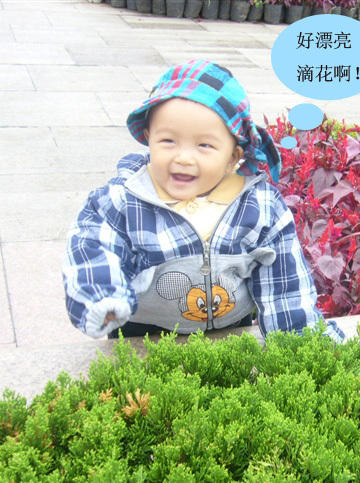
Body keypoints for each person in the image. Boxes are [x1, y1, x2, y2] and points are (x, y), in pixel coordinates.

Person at [62, 59, 345, 343]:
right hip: (143, 332)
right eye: (168, 141)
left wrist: (300, 340)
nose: (184, 157)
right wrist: (101, 295)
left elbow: (284, 281)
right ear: (148, 138)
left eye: (204, 145)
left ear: (233, 157)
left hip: (230, 329)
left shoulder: (258, 206)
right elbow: (93, 245)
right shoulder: (124, 202)